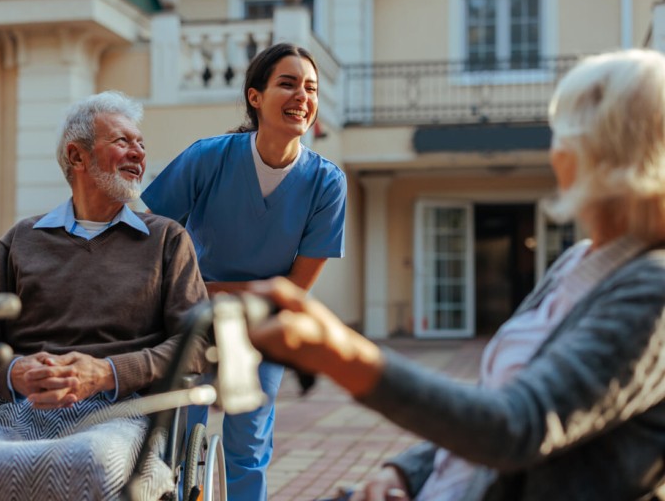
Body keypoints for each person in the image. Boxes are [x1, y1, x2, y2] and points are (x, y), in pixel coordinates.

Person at [245, 48, 665, 501]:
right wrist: (407, 472)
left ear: (602, 153)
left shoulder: (652, 290)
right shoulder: (577, 262)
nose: (555, 147)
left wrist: (341, 354)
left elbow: (515, 425)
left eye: (565, 131)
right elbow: (488, 404)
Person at [0, 91, 209, 501]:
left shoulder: (166, 240)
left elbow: (198, 344)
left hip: (122, 413)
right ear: (78, 156)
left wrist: (105, 372)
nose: (139, 152)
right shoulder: (22, 241)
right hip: (17, 412)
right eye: (123, 141)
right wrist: (13, 372)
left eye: (141, 143)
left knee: (89, 463)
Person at [141, 42, 347, 500]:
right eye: (288, 83)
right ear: (255, 96)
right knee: (175, 436)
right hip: (189, 322)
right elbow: (151, 241)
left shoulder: (326, 182)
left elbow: (293, 291)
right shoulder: (207, 158)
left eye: (310, 88)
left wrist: (206, 288)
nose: (302, 97)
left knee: (248, 445)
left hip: (261, 329)